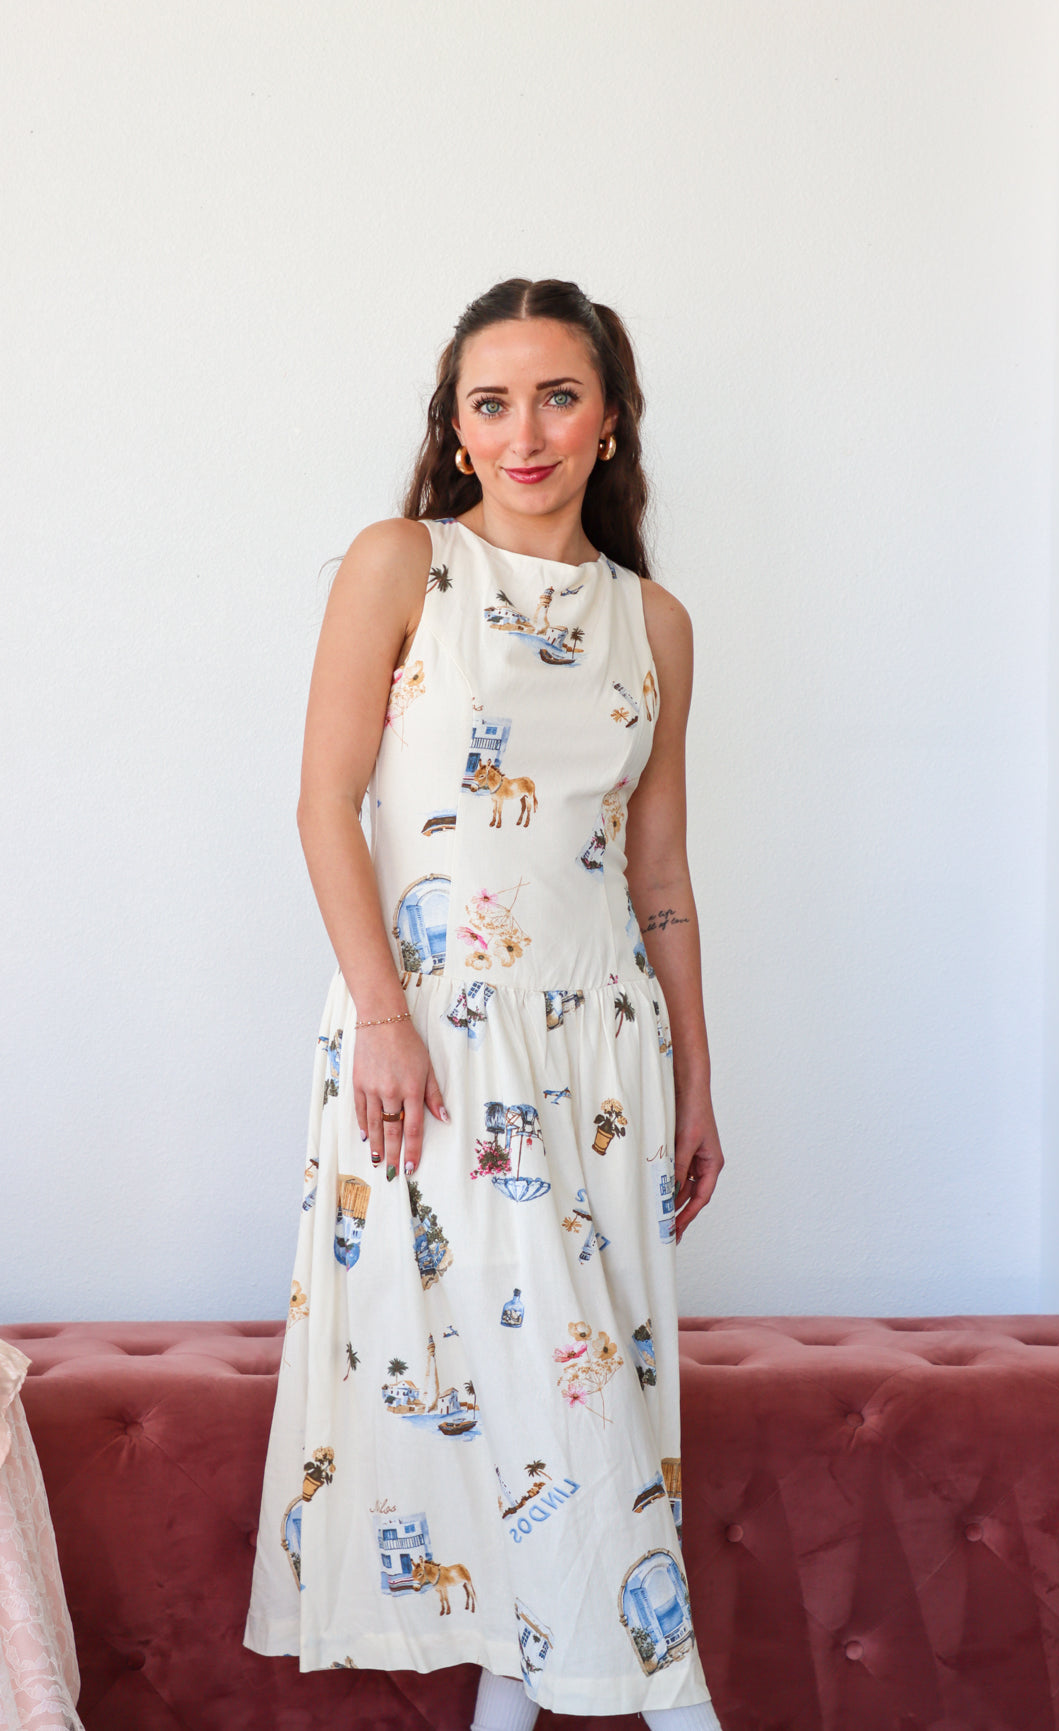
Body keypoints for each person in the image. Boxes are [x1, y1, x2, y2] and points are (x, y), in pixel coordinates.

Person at [242, 278, 726, 1730]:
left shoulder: (656, 622)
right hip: (437, 1046)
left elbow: (659, 876)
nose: (525, 431)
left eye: (558, 396)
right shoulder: (402, 565)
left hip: (604, 1054)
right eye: (490, 402)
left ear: (609, 419)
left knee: (585, 1400)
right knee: (556, 1405)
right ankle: (683, 1706)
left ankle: (509, 1711)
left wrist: (700, 1082)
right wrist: (382, 1017)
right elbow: (324, 807)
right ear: (454, 432)